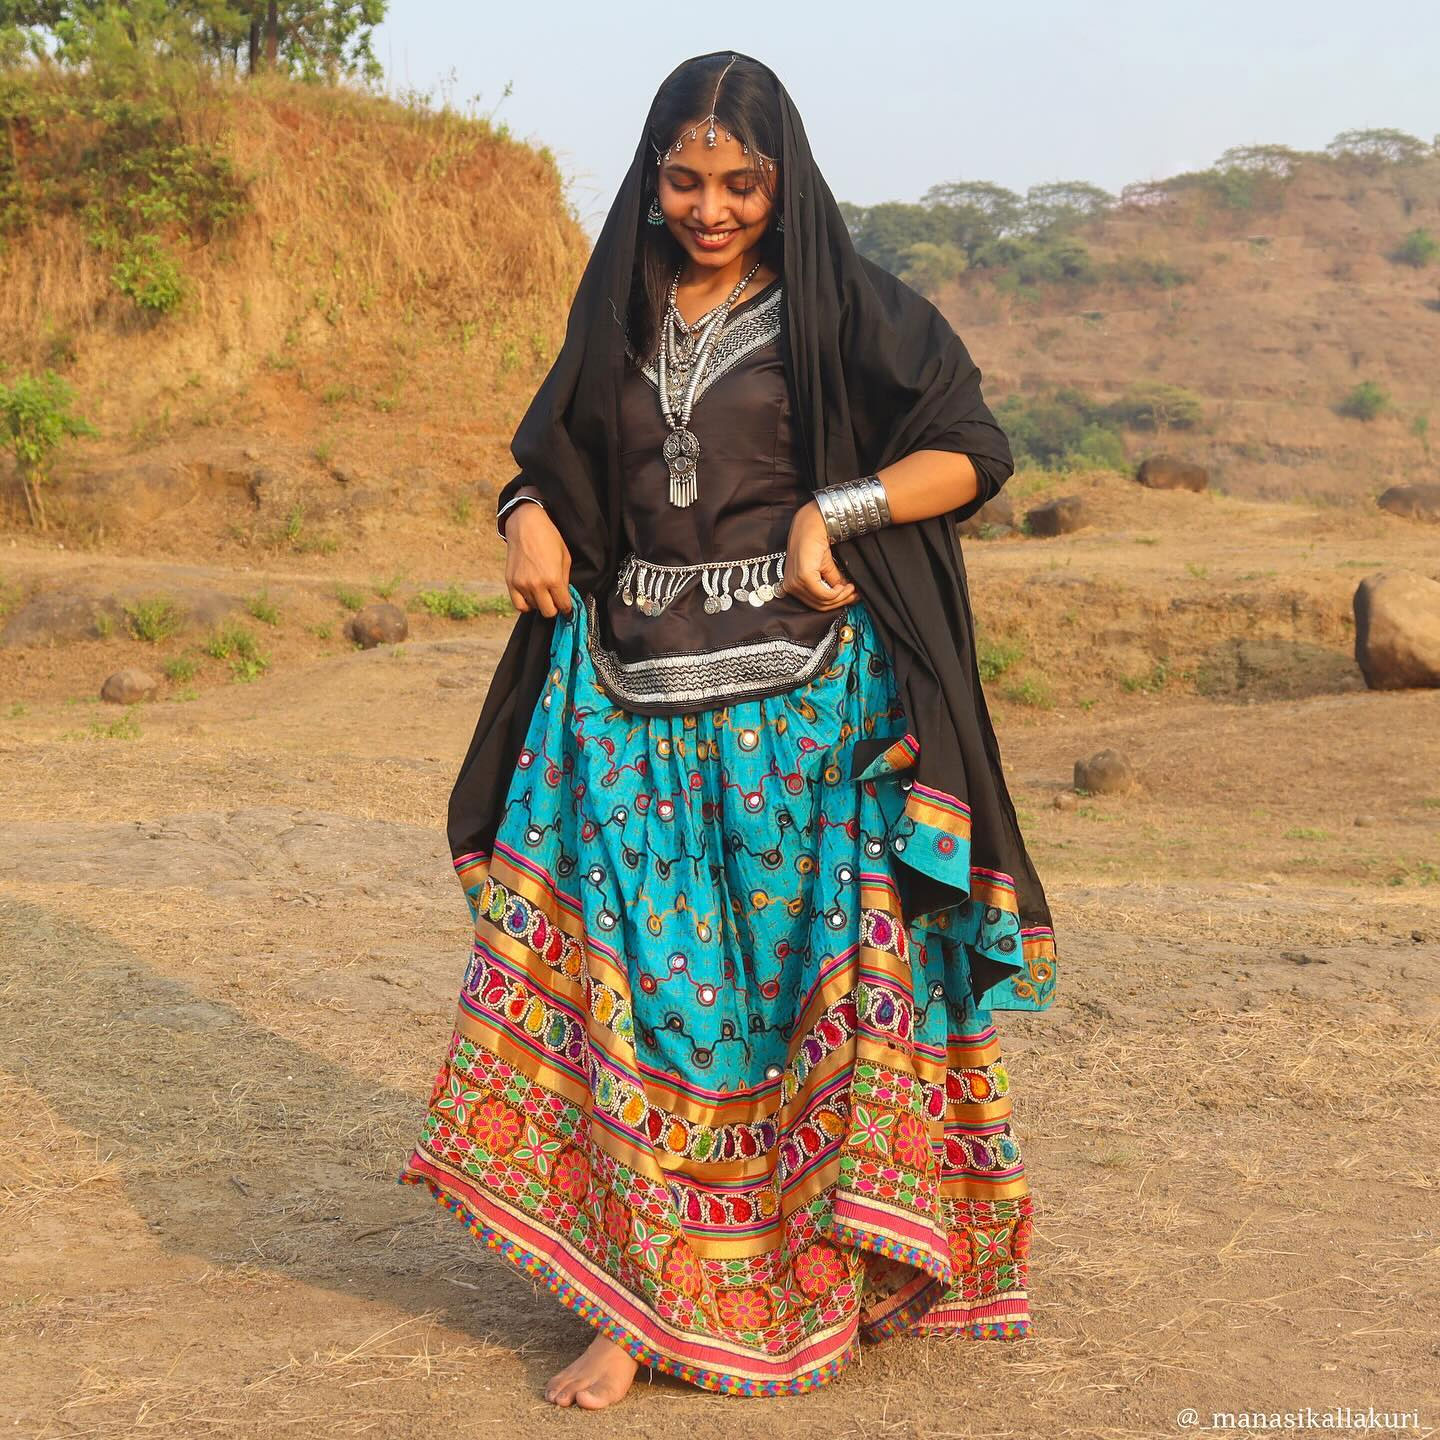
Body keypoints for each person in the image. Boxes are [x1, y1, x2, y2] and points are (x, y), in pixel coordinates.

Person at [396, 51, 1059, 1408]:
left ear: (781, 180)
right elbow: (561, 464)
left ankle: (819, 1258)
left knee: (782, 1019)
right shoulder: (620, 314)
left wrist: (841, 511)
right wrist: (521, 513)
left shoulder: (842, 306)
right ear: (651, 178)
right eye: (685, 179)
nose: (710, 206)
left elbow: (971, 450)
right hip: (634, 723)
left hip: (807, 722)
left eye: (740, 182)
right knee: (643, 1022)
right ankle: (641, 1304)